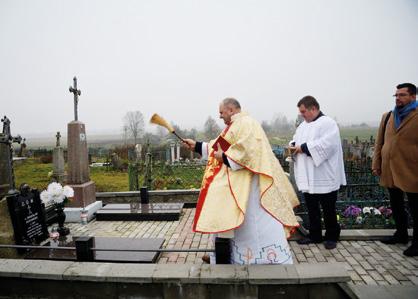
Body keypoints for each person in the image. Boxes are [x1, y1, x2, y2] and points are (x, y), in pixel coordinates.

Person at [183, 98, 299, 264]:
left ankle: (258, 259)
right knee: (230, 220)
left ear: (231, 110)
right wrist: (196, 145)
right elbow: (220, 145)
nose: (220, 116)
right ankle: (225, 255)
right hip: (239, 183)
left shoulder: (246, 123)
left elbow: (247, 152)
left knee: (252, 224)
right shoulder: (236, 124)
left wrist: (222, 157)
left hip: (251, 188)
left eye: (222, 112)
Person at [290, 96, 346, 250]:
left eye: (304, 111)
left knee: (328, 208)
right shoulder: (303, 125)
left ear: (313, 108)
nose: (302, 115)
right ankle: (315, 235)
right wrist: (292, 146)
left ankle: (332, 236)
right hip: (308, 175)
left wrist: (304, 148)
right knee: (312, 207)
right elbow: (295, 140)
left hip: (324, 174)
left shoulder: (328, 123)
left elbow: (328, 144)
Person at [372, 83, 418, 256]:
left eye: (403, 95)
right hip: (390, 168)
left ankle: (417, 243)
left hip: (412, 168)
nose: (398, 98)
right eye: (396, 95)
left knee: (415, 207)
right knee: (396, 204)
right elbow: (380, 143)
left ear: (413, 96)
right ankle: (401, 234)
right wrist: (376, 163)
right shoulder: (388, 116)